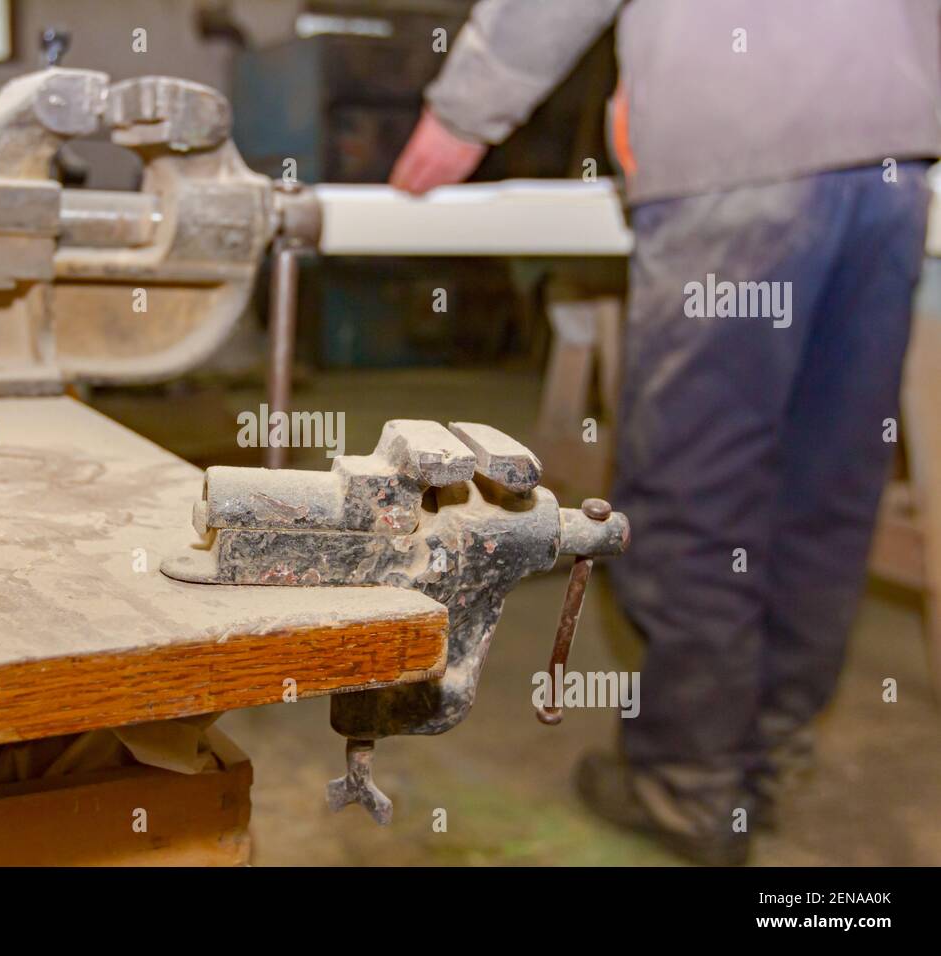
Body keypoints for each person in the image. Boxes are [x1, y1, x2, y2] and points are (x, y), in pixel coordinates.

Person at [390, 0, 941, 865]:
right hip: (893, 162)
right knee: (826, 483)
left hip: (736, 140)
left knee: (699, 484)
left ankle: (688, 781)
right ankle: (766, 755)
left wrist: (465, 112)